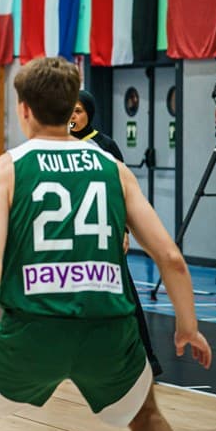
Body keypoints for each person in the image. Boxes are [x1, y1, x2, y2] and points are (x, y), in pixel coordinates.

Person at [0, 57, 212, 431]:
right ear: (71, 109)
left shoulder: (4, 171)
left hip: (34, 327)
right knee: (147, 417)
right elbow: (170, 257)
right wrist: (187, 326)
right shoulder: (114, 169)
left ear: (24, 108)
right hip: (109, 330)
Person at [70, 89, 162, 377]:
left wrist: (123, 229)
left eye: (78, 111)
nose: (72, 116)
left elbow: (122, 193)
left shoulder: (105, 146)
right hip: (70, 236)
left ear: (89, 114)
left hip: (102, 232)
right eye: (69, 111)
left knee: (125, 297)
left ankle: (146, 360)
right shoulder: (56, 145)